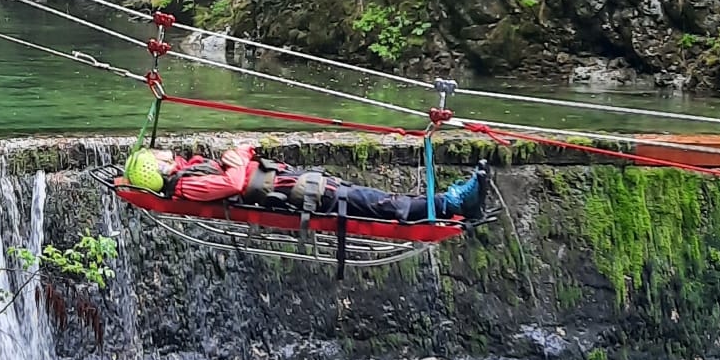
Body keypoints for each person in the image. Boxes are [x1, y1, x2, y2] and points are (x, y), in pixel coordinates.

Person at [122, 140, 490, 223]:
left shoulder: (190, 171)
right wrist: (239, 157)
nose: (161, 151)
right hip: (290, 195)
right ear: (158, 171)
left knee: (367, 198)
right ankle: (451, 204)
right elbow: (233, 184)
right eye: (154, 155)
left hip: (291, 185)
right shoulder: (187, 186)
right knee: (372, 203)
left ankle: (447, 201)